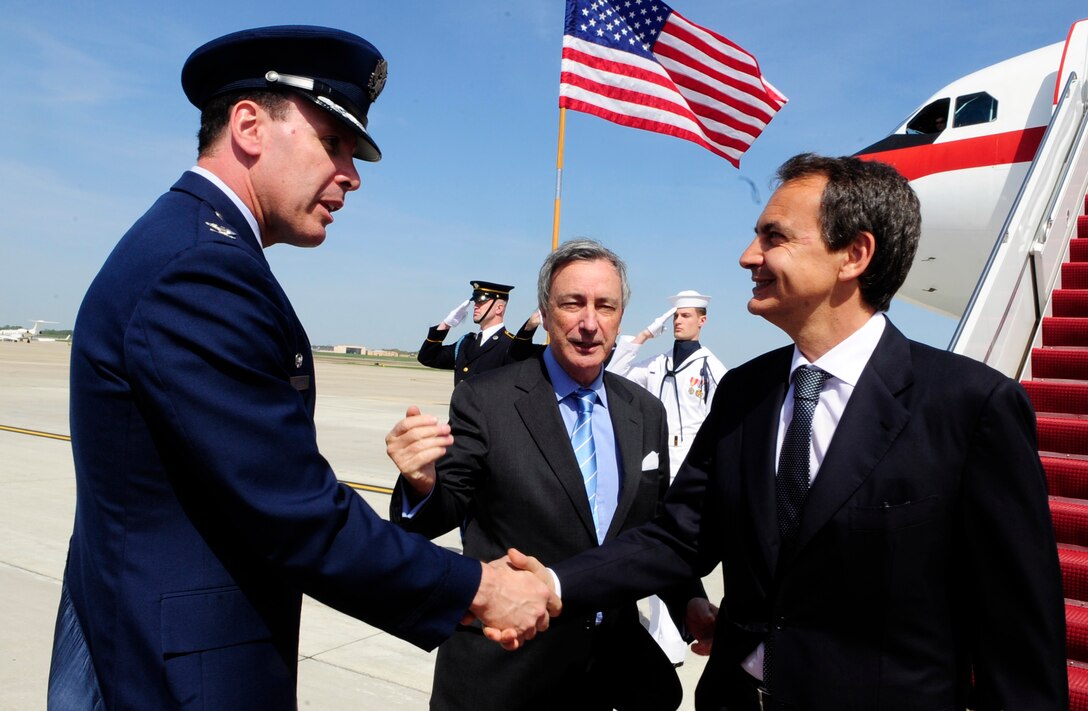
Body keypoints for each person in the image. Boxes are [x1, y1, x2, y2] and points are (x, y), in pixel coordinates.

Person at [47, 26, 556, 711]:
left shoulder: (193, 248)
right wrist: (480, 589)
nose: (352, 174)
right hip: (175, 676)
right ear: (251, 126)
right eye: (334, 143)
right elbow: (294, 509)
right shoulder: (199, 272)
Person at [534, 154, 1068, 710]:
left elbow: (1019, 637)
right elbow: (679, 538)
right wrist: (551, 585)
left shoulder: (969, 407)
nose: (748, 256)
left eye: (774, 237)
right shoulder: (745, 393)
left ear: (854, 255)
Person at [386, 239, 683, 710]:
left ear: (620, 317)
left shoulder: (644, 410)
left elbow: (658, 531)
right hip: (509, 671)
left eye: (605, 306)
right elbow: (433, 517)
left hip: (615, 675)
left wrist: (692, 608)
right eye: (572, 304)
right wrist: (422, 481)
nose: (590, 323)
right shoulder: (487, 399)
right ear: (545, 313)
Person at [606, 290, 726, 665]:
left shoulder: (712, 369)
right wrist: (640, 337)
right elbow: (614, 374)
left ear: (702, 321)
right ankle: (663, 635)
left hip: (690, 472)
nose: (679, 321)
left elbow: (721, 424)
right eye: (675, 316)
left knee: (675, 553)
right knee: (653, 546)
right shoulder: (656, 363)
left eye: (687, 316)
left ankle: (670, 639)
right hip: (655, 469)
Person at [418, 281, 540, 385]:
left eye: (481, 301)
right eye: (475, 302)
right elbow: (428, 357)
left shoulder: (510, 345)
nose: (476, 306)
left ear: (499, 308)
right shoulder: (465, 343)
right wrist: (445, 324)